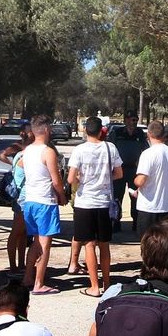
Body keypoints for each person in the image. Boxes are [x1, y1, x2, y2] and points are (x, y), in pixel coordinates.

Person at [68, 116, 124, 297]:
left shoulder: (79, 150)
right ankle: (107, 283)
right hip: (104, 202)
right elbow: (119, 173)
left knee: (89, 244)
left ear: (85, 130)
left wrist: (81, 179)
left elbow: (71, 178)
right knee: (104, 244)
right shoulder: (110, 148)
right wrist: (104, 178)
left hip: (85, 202)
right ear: (101, 131)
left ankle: (94, 286)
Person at [20, 117, 68, 295]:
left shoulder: (27, 150)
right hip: (45, 201)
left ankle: (27, 277)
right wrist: (62, 196)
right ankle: (39, 283)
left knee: (35, 243)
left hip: (30, 201)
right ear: (47, 129)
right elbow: (56, 181)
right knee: (45, 244)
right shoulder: (48, 152)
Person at [132, 121, 168, 233]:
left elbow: (140, 181)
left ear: (148, 134)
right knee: (165, 244)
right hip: (167, 205)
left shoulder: (147, 154)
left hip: (148, 207)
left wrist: (135, 180)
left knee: (148, 242)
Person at [0, 127, 35, 273]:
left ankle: (20, 264)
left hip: (21, 198)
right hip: (23, 199)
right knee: (16, 233)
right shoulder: (25, 155)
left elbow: (0, 154)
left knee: (22, 234)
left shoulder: (18, 153)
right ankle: (13, 266)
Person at [108, 111, 148, 231]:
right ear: (125, 120)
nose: (134, 122)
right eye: (132, 119)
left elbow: (146, 150)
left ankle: (136, 221)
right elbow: (111, 149)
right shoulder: (117, 132)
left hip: (134, 170)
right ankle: (116, 222)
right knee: (117, 196)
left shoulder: (140, 133)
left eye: (135, 120)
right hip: (120, 169)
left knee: (135, 196)